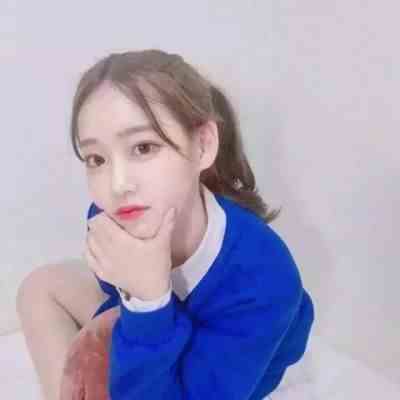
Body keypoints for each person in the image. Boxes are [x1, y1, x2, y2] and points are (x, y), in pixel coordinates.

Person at [18, 49, 315, 400]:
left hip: (222, 373)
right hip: (159, 332)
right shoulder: (110, 215)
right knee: (40, 286)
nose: (117, 185)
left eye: (143, 148)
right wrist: (127, 303)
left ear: (203, 146)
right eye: (96, 158)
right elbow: (112, 293)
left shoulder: (265, 278)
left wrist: (149, 299)